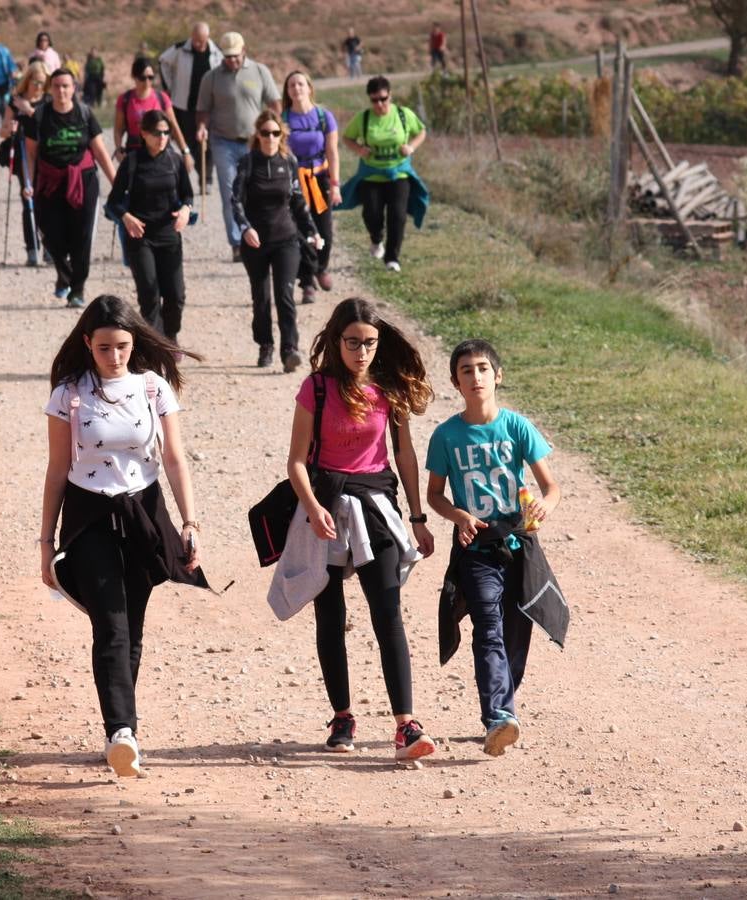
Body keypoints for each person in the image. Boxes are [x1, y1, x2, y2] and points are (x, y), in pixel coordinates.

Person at [39, 295, 207, 778]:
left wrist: (189, 522)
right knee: (109, 623)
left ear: (135, 343)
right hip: (88, 515)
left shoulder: (153, 389)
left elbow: (174, 459)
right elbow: (56, 470)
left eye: (123, 346)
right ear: (87, 344)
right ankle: (122, 731)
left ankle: (121, 729)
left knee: (132, 626)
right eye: (105, 348)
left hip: (144, 513)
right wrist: (46, 544)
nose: (115, 357)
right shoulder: (68, 394)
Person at [272, 297, 438, 761]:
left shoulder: (389, 388)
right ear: (337, 340)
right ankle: (342, 716)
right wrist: (311, 508)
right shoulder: (317, 389)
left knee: (388, 612)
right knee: (330, 615)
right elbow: (296, 462)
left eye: (369, 343)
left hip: (377, 504)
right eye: (352, 342)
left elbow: (403, 454)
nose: (361, 351)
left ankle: (406, 724)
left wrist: (418, 518)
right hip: (325, 502)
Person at [424, 339, 561, 757]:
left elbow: (551, 488)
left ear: (497, 376)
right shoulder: (446, 435)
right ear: (455, 382)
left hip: (519, 543)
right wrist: (459, 517)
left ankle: (503, 703)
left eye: (483, 368)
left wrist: (544, 506)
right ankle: (500, 715)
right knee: (487, 627)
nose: (476, 376)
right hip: (476, 548)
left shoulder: (518, 427)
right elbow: (434, 496)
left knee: (517, 631)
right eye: (466, 370)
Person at [231, 110, 320, 372]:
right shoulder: (248, 163)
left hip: (286, 240)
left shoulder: (289, 161)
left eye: (275, 133)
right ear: (257, 135)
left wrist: (312, 231)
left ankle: (290, 349)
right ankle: (265, 345)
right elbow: (235, 200)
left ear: (281, 135)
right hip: (255, 242)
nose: (270, 137)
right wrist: (245, 228)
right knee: (261, 298)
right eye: (265, 133)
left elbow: (298, 201)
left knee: (285, 295)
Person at [22, 68, 118, 309]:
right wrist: (29, 182)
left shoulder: (85, 114)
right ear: (50, 89)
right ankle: (64, 274)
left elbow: (100, 152)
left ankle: (77, 289)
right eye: (56, 86)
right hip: (50, 182)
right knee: (51, 235)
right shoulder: (41, 116)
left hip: (83, 181)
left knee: (82, 236)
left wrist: (116, 183)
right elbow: (31, 153)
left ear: (74, 89)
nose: (61, 91)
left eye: (66, 86)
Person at [105, 109, 195, 343]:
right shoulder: (132, 162)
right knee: (149, 295)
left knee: (176, 295)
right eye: (157, 133)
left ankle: (171, 335)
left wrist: (185, 210)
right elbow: (113, 202)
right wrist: (127, 217)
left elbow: (188, 195)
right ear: (143, 133)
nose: (162, 137)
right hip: (141, 237)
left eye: (166, 133)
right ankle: (157, 344)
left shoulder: (174, 161)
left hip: (169, 235)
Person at [196, 31, 281, 262]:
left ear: (244, 50)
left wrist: (275, 129)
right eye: (227, 56)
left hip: (255, 142)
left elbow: (274, 103)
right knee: (230, 193)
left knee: (256, 190)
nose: (231, 60)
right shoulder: (212, 77)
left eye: (235, 55)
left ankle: (258, 236)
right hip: (223, 142)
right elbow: (203, 109)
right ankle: (236, 243)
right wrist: (202, 127)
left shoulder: (259, 71)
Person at [338, 76, 430, 274]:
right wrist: (359, 149)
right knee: (371, 213)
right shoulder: (363, 118)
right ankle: (376, 239)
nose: (379, 104)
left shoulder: (403, 114)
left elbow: (421, 131)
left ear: (390, 95)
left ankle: (392, 258)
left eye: (383, 98)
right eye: (374, 100)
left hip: (399, 174)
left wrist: (411, 147)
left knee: (397, 215)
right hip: (371, 175)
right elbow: (346, 138)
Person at [282, 71, 340, 305]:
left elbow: (333, 152)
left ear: (309, 88)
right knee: (300, 231)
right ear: (287, 91)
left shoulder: (324, 117)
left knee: (324, 230)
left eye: (300, 84)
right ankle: (307, 282)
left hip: (320, 179)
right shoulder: (283, 119)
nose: (297, 88)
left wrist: (335, 184)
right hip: (294, 182)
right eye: (292, 85)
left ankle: (321, 267)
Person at [160, 23, 222, 191]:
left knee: (206, 142)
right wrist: (169, 86)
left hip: (207, 107)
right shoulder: (180, 49)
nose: (197, 44)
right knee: (188, 140)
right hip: (184, 104)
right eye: (194, 40)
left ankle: (206, 178)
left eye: (200, 41)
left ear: (207, 38)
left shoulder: (217, 53)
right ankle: (200, 171)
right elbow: (163, 61)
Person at [4, 60, 50, 267]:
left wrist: (29, 110)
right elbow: (2, 130)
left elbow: (51, 125)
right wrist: (10, 129)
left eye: (42, 82)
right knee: (28, 199)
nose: (39, 87)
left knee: (49, 202)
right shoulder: (15, 101)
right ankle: (32, 249)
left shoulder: (49, 101)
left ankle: (50, 246)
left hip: (49, 156)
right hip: (24, 155)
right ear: (28, 80)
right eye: (36, 82)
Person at [115, 58, 191, 162]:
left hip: (161, 152)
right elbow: (118, 130)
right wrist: (119, 150)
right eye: (142, 78)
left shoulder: (162, 98)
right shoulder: (125, 99)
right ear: (134, 76)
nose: (147, 81)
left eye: (150, 77)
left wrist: (185, 151)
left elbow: (174, 125)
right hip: (135, 153)